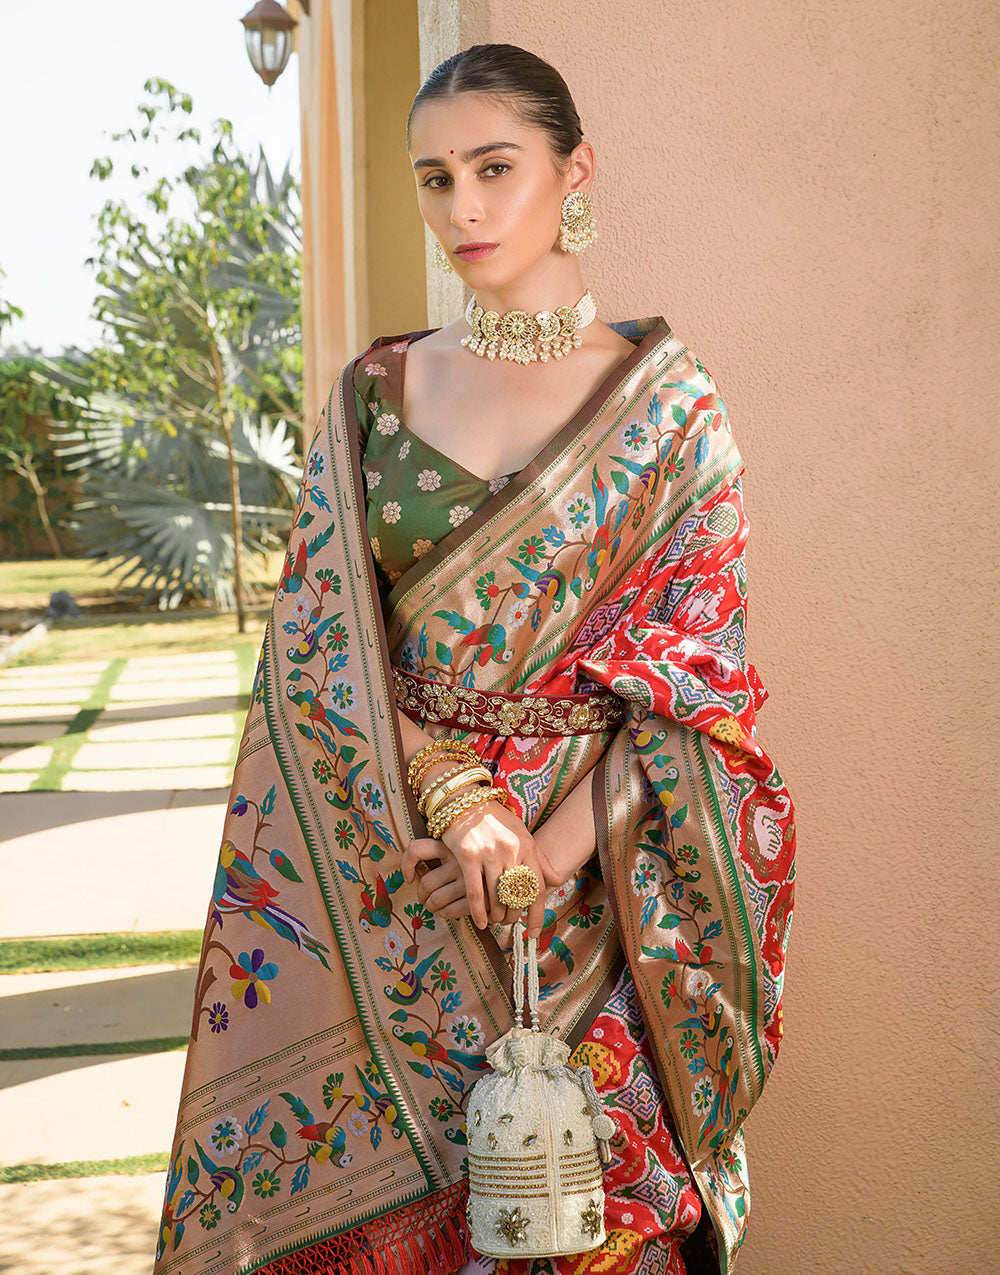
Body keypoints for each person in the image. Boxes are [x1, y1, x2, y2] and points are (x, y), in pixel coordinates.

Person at [153, 43, 796, 1275]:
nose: (465, 209)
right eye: (435, 179)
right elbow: (320, 648)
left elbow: (698, 686)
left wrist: (537, 856)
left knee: (590, 1213)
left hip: (604, 878)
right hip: (399, 856)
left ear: (575, 171)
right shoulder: (378, 394)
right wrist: (455, 804)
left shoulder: (670, 409)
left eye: (495, 168)